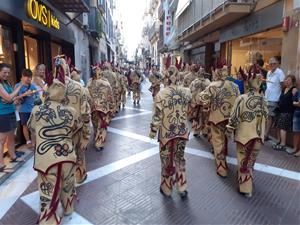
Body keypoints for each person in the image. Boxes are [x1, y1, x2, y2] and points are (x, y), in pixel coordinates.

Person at [28, 71, 79, 225]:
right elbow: (75, 129)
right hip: (67, 155)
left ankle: (49, 219)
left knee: (47, 190)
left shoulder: (37, 110)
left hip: (46, 158)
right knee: (68, 184)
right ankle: (68, 208)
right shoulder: (71, 111)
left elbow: (31, 127)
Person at [149, 65, 191, 198]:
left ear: (166, 77)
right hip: (182, 131)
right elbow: (193, 105)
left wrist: (153, 130)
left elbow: (157, 116)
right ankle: (182, 187)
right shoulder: (186, 91)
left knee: (166, 160)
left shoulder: (161, 94)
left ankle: (167, 188)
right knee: (180, 158)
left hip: (167, 134)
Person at [226, 67, 268, 198]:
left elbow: (234, 117)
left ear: (247, 83)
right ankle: (249, 180)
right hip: (258, 137)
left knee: (243, 161)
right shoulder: (263, 100)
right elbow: (266, 117)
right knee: (250, 162)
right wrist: (263, 135)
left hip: (244, 136)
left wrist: (229, 129)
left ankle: (246, 188)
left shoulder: (242, 98)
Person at [53, 55, 91, 184]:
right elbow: (86, 113)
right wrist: (86, 135)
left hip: (57, 133)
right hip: (76, 130)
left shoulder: (48, 88)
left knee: (61, 158)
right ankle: (79, 177)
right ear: (68, 69)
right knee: (79, 156)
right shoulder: (79, 87)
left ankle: (65, 181)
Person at [197, 65, 240, 178]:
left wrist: (207, 103)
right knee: (225, 140)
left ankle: (222, 168)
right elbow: (238, 102)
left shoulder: (213, 85)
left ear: (217, 73)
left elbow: (201, 99)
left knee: (218, 143)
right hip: (231, 119)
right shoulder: (235, 86)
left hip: (217, 118)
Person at [0, 63, 28, 172]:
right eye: (4, 72)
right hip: (2, 114)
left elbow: (12, 98)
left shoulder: (6, 83)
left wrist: (14, 99)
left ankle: (13, 156)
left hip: (11, 112)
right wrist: (20, 86)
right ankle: (1, 165)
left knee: (11, 137)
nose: (6, 74)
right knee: (1, 140)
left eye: (8, 72)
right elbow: (8, 98)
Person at [87, 66, 115, 151]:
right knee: (102, 126)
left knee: (95, 125)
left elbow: (87, 97)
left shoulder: (89, 84)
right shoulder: (106, 83)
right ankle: (99, 143)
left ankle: (96, 138)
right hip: (103, 109)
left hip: (93, 108)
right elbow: (110, 97)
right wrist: (112, 108)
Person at [15, 69, 40, 147]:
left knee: (33, 126)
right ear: (22, 76)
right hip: (23, 109)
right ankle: (28, 141)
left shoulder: (33, 86)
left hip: (33, 109)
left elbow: (37, 98)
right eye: (26, 76)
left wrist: (36, 96)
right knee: (25, 125)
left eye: (29, 77)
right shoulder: (17, 86)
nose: (28, 78)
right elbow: (15, 98)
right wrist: (25, 94)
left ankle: (33, 142)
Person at [273, 75, 297, 151]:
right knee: (278, 126)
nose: (286, 81)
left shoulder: (294, 89)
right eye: (286, 79)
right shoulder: (284, 89)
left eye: (288, 80)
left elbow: (295, 100)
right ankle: (279, 141)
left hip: (288, 112)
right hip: (280, 111)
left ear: (293, 82)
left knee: (283, 128)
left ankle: (283, 144)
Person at [264, 57, 285, 141]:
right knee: (267, 117)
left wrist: (280, 96)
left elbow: (282, 85)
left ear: (278, 64)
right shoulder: (268, 72)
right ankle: (265, 133)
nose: (272, 65)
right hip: (266, 98)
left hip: (274, 98)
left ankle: (266, 134)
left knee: (270, 117)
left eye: (274, 63)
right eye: (271, 63)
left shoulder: (280, 72)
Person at [190, 67, 211, 137]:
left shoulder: (195, 82)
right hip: (200, 102)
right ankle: (199, 131)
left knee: (200, 116)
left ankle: (201, 130)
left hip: (200, 102)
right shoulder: (207, 82)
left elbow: (191, 91)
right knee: (199, 116)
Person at [292, 80, 300, 157]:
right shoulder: (298, 92)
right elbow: (293, 102)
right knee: (296, 132)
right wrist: (297, 103)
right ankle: (295, 148)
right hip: (297, 113)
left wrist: (297, 103)